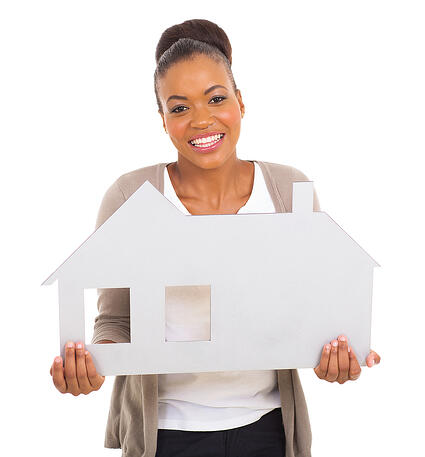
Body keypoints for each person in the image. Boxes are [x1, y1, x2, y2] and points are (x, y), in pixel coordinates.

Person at [50, 18, 381, 457]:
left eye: (216, 99)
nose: (201, 120)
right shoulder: (130, 196)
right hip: (163, 433)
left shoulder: (289, 190)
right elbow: (114, 321)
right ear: (163, 118)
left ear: (240, 102)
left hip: (267, 429)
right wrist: (95, 361)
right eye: (179, 107)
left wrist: (339, 350)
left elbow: (313, 313)